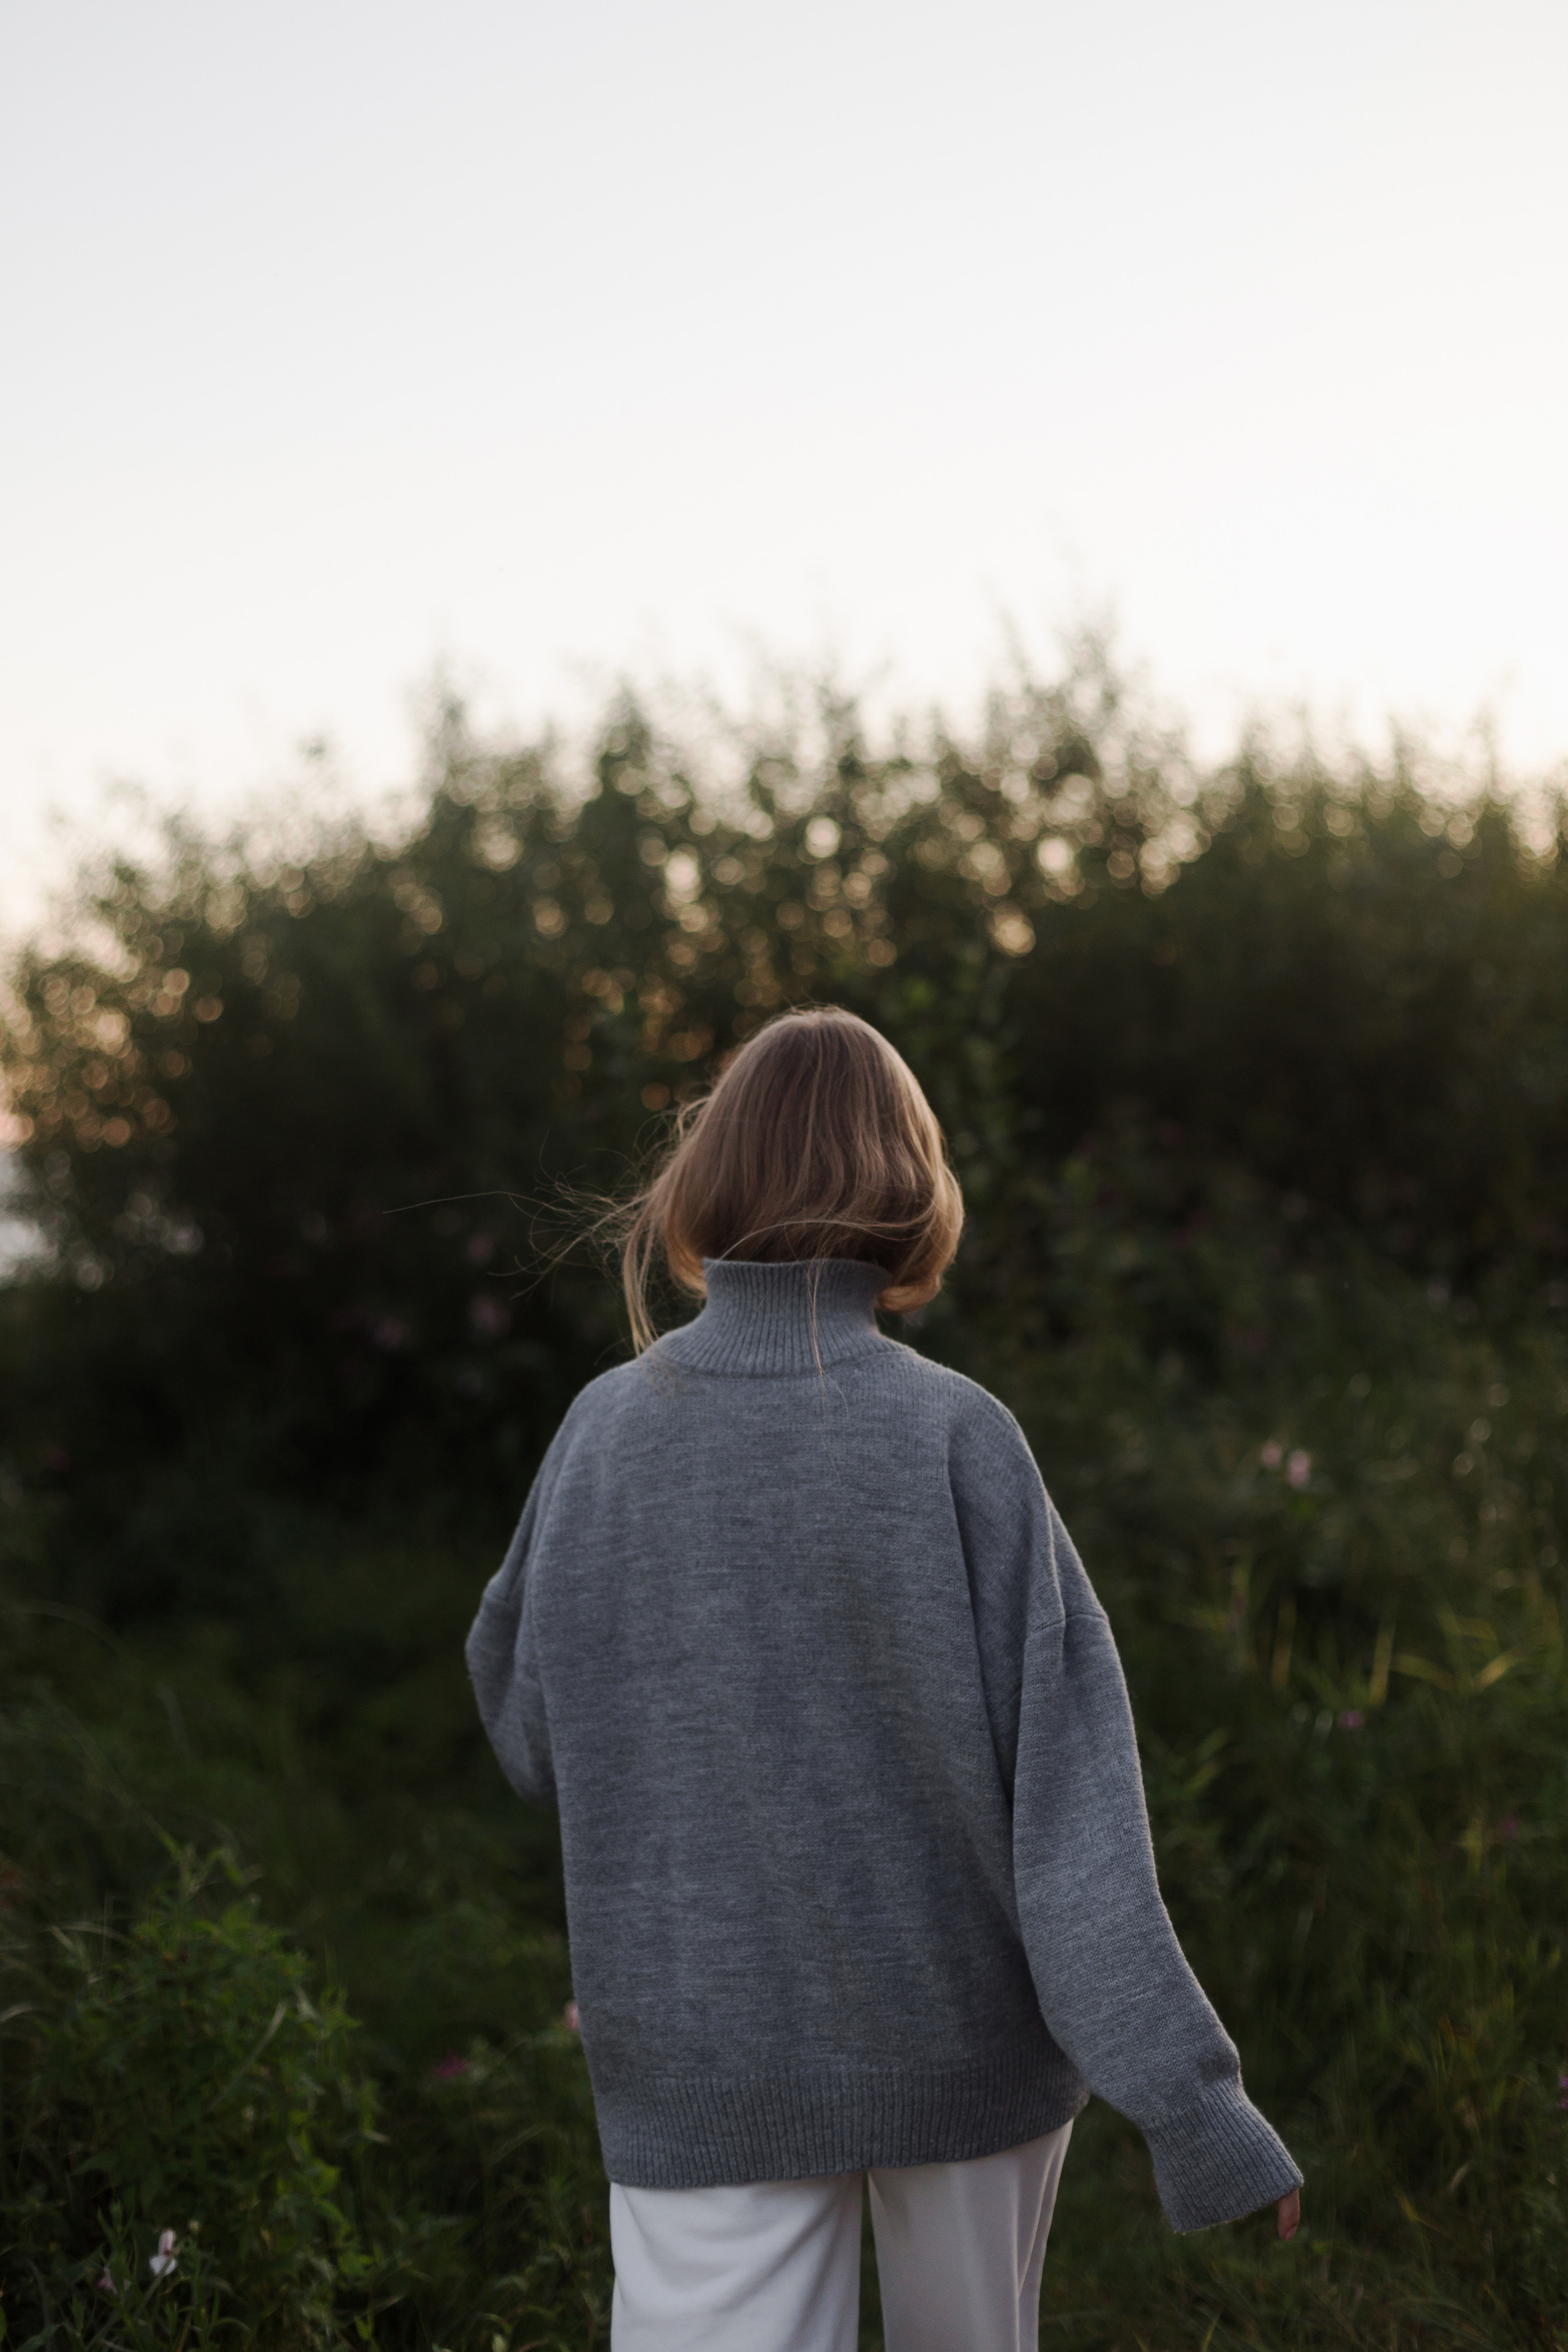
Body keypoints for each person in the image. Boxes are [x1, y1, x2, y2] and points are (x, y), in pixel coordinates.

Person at [466, 1006, 1302, 2352]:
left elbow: (523, 1724)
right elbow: (1074, 1817)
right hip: (961, 2047)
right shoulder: (956, 1437)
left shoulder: (602, 1433)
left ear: (709, 1176)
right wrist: (1196, 2106)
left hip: (703, 2056)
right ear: (907, 1188)